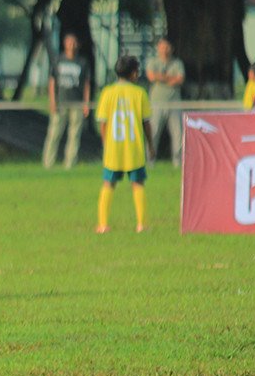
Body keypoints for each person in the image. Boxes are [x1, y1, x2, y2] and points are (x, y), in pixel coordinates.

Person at [95, 56, 155, 234]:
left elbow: (103, 122)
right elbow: (146, 122)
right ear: (134, 73)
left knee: (108, 184)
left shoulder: (107, 92)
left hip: (114, 148)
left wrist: (106, 143)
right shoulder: (139, 93)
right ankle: (142, 224)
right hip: (134, 148)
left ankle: (103, 224)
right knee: (138, 184)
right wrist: (150, 145)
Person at [43, 33, 92, 170]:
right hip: (61, 103)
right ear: (65, 44)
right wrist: (52, 101)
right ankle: (48, 163)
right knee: (54, 134)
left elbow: (86, 84)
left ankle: (70, 164)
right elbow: (52, 82)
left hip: (76, 103)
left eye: (74, 42)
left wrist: (86, 103)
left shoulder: (82, 62)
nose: (71, 45)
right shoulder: (58, 60)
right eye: (69, 42)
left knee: (74, 135)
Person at [145, 37, 185, 168]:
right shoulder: (153, 62)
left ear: (171, 48)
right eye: (162, 47)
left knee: (177, 133)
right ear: (158, 48)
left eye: (167, 46)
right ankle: (150, 161)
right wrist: (169, 77)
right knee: (153, 132)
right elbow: (151, 76)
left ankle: (177, 161)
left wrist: (161, 77)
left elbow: (179, 79)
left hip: (174, 104)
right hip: (156, 103)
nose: (164, 49)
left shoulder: (177, 63)